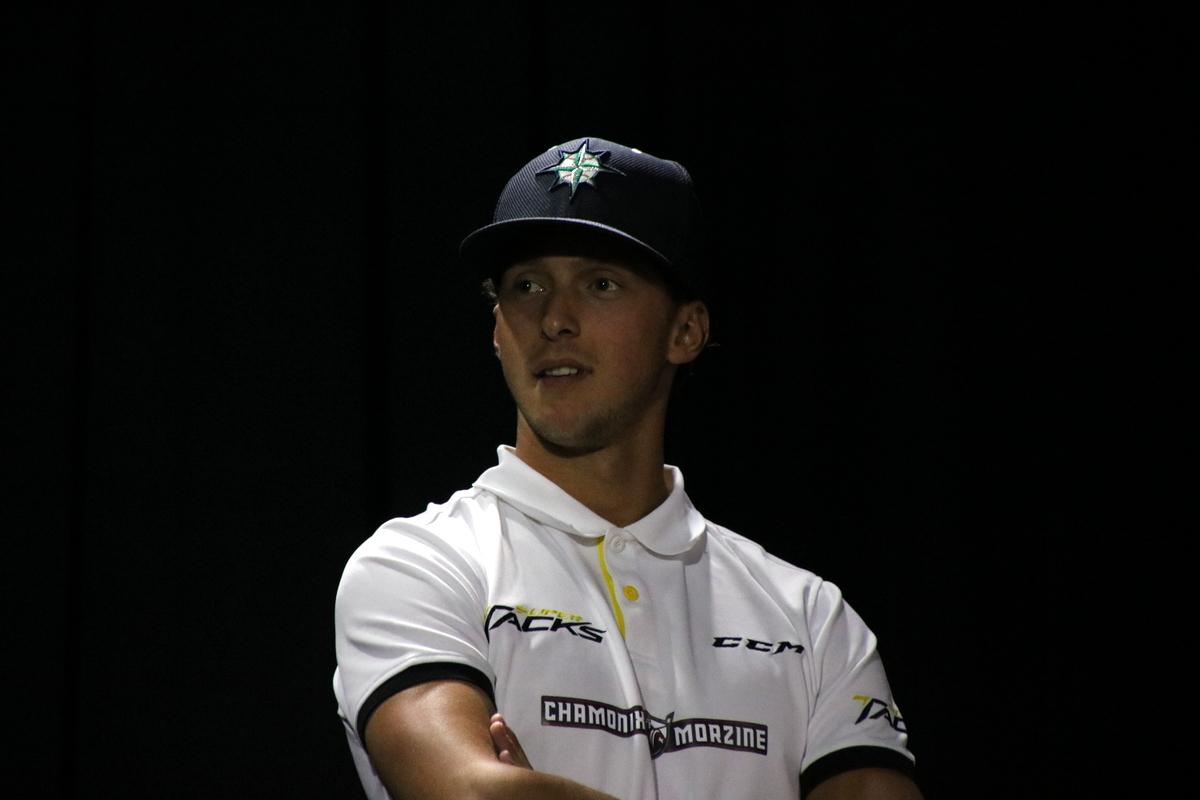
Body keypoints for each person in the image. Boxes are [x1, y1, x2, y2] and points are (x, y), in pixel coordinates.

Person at [332, 136, 922, 799]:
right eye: (526, 286)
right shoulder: (417, 564)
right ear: (497, 329)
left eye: (601, 284)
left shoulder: (811, 617)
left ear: (685, 332)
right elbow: (470, 793)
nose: (554, 319)